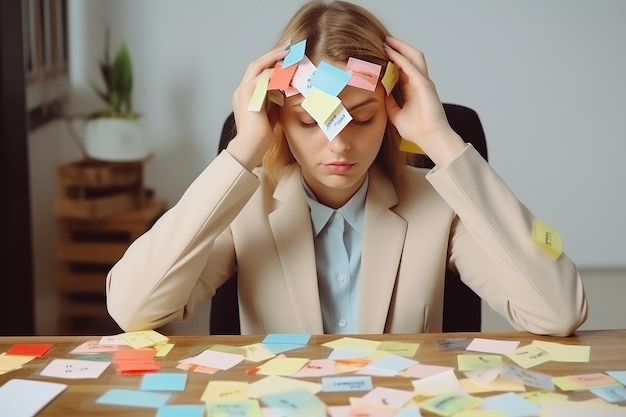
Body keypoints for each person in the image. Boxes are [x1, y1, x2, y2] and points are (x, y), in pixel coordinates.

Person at [106, 0, 587, 336]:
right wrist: (241, 150)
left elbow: (559, 312)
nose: (338, 143)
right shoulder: (245, 205)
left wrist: (440, 139)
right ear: (279, 120)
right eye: (308, 121)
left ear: (391, 110)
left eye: (361, 117)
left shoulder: (437, 206)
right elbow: (132, 309)